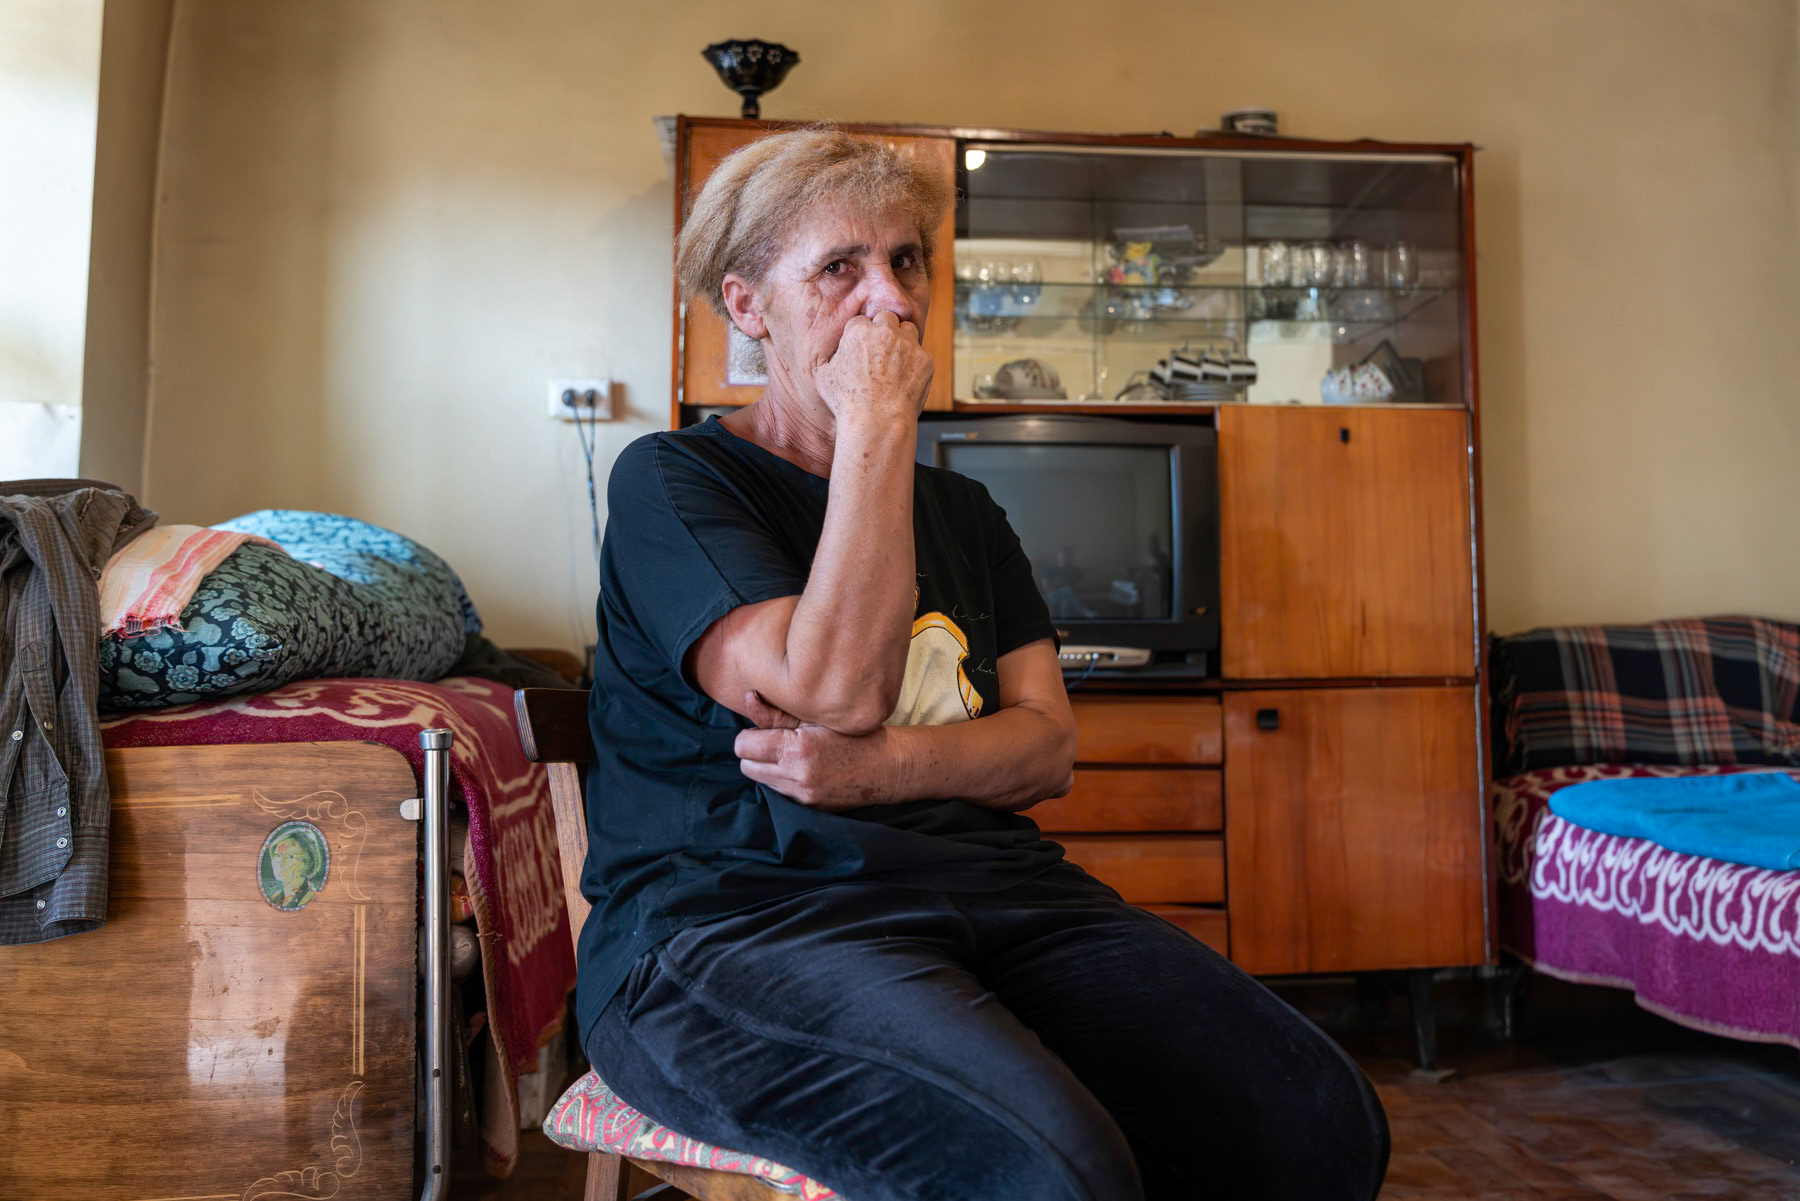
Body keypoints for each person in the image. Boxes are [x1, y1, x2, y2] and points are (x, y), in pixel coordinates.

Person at [580, 128, 1387, 1201]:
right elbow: (832, 689)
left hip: (997, 900)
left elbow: (1047, 746)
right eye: (840, 268)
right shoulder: (673, 481)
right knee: (1052, 1170)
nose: (894, 301)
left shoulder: (965, 509)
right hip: (734, 930)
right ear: (746, 304)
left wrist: (886, 771)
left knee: (1320, 1124)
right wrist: (875, 419)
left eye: (907, 261)